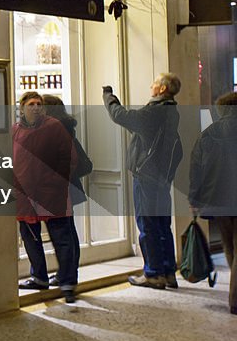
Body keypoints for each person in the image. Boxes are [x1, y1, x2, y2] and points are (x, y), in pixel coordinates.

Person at [104, 74, 183, 290]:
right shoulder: (170, 111)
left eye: (155, 83)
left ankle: (153, 274)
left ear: (162, 88)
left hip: (146, 176)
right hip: (162, 178)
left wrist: (109, 96)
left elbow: (120, 115)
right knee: (162, 224)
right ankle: (168, 272)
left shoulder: (154, 111)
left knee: (147, 225)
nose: (151, 85)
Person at [12, 92, 79, 303]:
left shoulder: (53, 127)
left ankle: (68, 282)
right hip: (25, 195)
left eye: (38, 104)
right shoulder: (15, 130)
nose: (35, 107)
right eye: (30, 104)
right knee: (30, 238)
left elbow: (69, 158)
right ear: (22, 107)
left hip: (52, 194)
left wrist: (57, 182)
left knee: (62, 239)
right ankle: (39, 276)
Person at [188, 92, 237, 314]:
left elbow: (196, 170)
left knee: (229, 245)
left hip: (218, 199)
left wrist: (194, 197)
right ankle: (235, 299)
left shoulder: (208, 134)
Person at [42, 94, 89, 286]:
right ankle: (70, 274)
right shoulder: (66, 128)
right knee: (68, 231)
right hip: (69, 186)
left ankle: (67, 277)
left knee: (61, 232)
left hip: (57, 189)